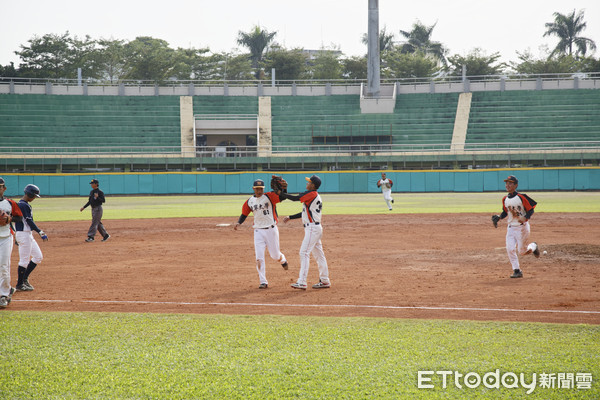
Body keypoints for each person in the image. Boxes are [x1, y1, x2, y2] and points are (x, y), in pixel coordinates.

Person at [234, 179, 289, 289]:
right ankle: (263, 281)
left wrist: (284, 189)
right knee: (259, 258)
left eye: (261, 189)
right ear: (253, 189)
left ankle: (282, 259)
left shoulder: (269, 196)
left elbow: (283, 197)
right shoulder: (250, 201)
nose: (259, 191)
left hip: (271, 230)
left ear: (263, 189)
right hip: (258, 231)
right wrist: (239, 222)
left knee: (275, 255)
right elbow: (244, 213)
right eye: (257, 189)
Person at [281, 175, 331, 290]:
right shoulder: (314, 195)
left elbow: (294, 198)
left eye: (309, 182)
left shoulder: (311, 194)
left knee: (304, 253)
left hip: (312, 229)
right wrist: (291, 217)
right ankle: (324, 280)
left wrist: (280, 192)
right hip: (315, 228)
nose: (307, 184)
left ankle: (302, 282)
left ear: (313, 185)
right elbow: (305, 212)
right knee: (319, 255)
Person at [492, 175, 540, 278]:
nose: (507, 185)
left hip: (522, 228)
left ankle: (534, 246)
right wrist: (499, 217)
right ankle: (517, 270)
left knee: (522, 252)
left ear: (516, 185)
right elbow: (506, 212)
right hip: (510, 228)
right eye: (506, 183)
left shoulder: (521, 197)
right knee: (510, 249)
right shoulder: (505, 199)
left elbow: (531, 209)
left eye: (510, 183)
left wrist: (526, 217)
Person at [15, 184, 48, 292]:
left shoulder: (23, 204)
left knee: (38, 257)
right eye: (34, 196)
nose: (34, 198)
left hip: (27, 234)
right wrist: (40, 231)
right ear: (29, 194)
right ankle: (19, 284)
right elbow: (29, 221)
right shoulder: (23, 205)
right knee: (24, 261)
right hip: (23, 235)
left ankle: (24, 279)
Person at [0, 177, 23, 309]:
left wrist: (9, 219)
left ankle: (4, 295)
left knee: (3, 266)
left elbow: (19, 218)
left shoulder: (10, 203)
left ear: (4, 188)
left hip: (6, 237)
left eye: (0, 187)